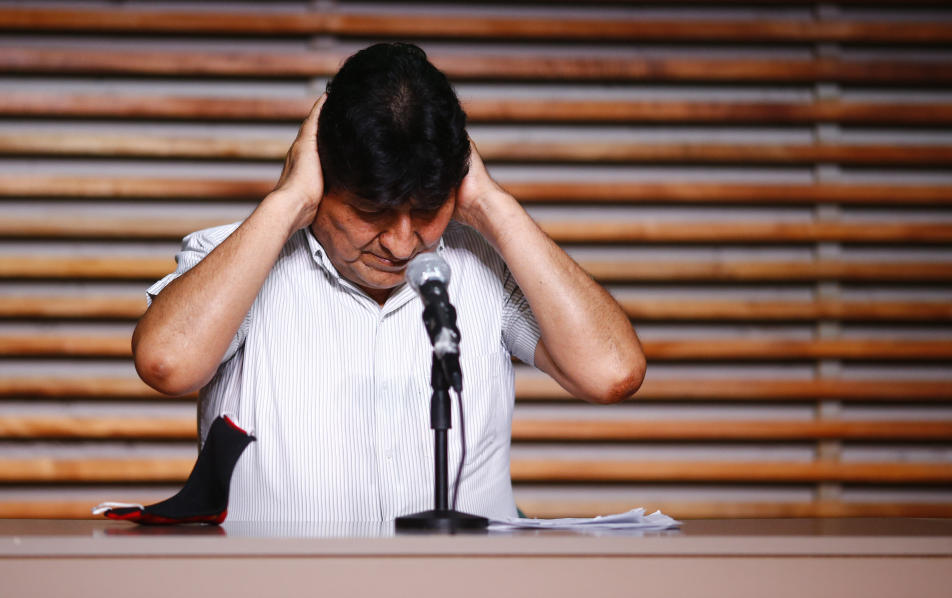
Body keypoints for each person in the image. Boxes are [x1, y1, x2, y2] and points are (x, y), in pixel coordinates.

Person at [132, 43, 645, 521]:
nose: (402, 245)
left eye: (427, 210)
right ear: (320, 181)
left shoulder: (490, 265)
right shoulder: (237, 257)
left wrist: (492, 204)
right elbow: (167, 364)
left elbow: (612, 374)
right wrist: (287, 200)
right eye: (370, 212)